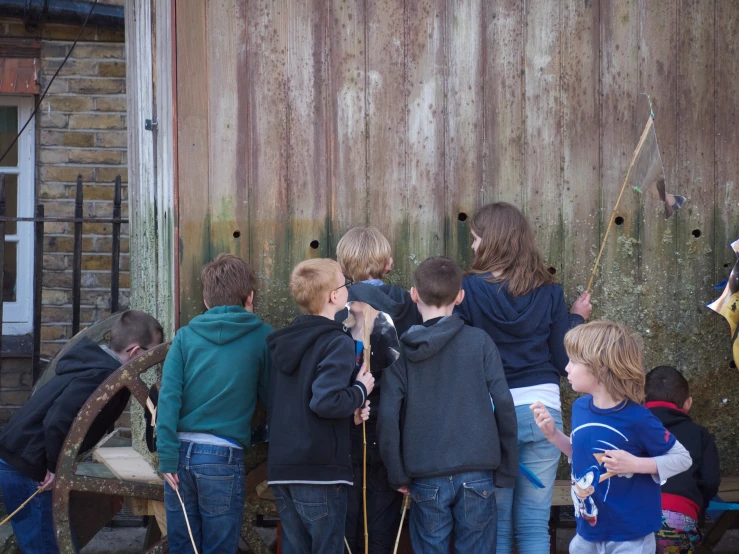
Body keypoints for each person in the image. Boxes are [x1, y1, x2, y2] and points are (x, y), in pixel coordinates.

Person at [453, 202, 591, 554]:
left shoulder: (467, 290)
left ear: (492, 241)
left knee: (496, 521)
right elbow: (564, 362)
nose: (472, 247)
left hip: (491, 412)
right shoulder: (550, 291)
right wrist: (576, 320)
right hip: (543, 412)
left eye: (475, 239)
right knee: (533, 521)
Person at [378, 256, 518, 553]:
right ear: (461, 296)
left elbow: (388, 415)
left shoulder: (400, 351)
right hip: (479, 472)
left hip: (425, 474)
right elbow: (504, 403)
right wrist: (507, 466)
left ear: (413, 294)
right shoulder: (480, 342)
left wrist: (397, 473)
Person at [0, 310, 163, 554]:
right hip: (28, 467)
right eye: (151, 353)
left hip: (22, 459)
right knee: (49, 547)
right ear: (135, 352)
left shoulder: (94, 364)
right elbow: (57, 420)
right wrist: (55, 467)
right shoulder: (99, 374)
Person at [532, 321, 692, 554]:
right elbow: (581, 455)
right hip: (588, 531)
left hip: (630, 537)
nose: (566, 367)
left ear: (600, 368)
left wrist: (636, 464)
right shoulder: (580, 407)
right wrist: (553, 435)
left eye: (574, 361)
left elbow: (682, 458)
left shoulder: (638, 418)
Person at [157, 254, 274, 554]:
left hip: (180, 456)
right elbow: (271, 397)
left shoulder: (185, 337)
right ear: (250, 297)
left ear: (206, 302)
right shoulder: (263, 337)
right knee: (220, 547)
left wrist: (167, 457)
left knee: (183, 545)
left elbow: (168, 399)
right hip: (222, 455)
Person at [266, 258, 374, 554]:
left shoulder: (283, 341)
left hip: (282, 469)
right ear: (334, 297)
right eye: (345, 283)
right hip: (320, 473)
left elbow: (295, 403)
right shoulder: (335, 341)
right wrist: (360, 391)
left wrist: (348, 417)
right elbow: (324, 401)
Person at [336, 226, 421, 553]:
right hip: (393, 424)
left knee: (346, 515)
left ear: (343, 267)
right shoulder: (408, 304)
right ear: (387, 263)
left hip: (346, 419)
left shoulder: (336, 304)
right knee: (382, 518)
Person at [645, 365, 720, 554]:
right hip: (679, 517)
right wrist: (696, 506)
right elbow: (711, 481)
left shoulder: (629, 428)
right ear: (687, 403)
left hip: (632, 515)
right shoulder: (700, 434)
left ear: (641, 400)